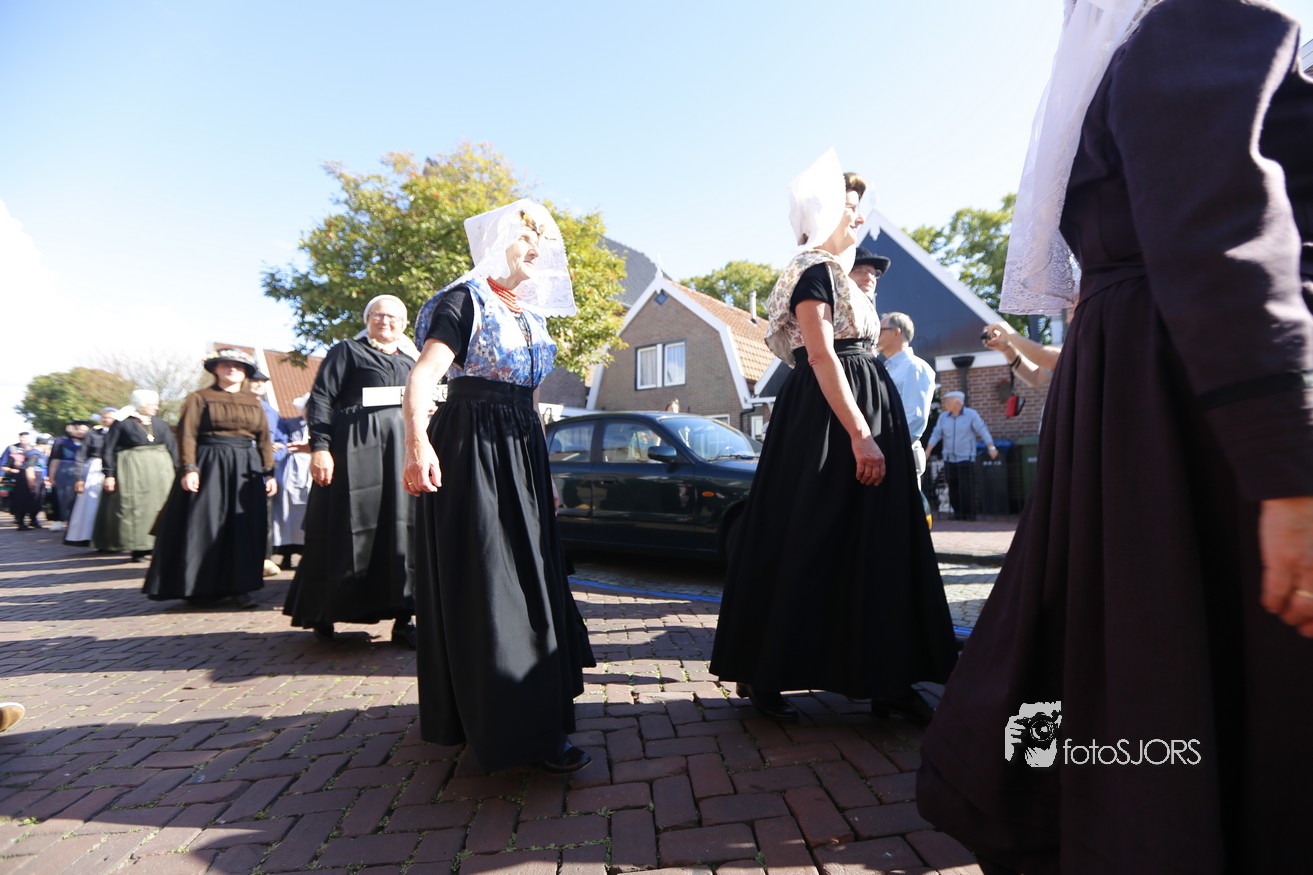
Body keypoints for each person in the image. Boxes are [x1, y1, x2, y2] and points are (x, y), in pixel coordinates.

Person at [916, 2, 1313, 873]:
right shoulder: (1198, 18)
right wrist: (1285, 463)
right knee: (1186, 666)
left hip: (1138, 384)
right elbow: (1223, 231)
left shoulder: (1144, 44)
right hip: (1186, 392)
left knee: (1138, 661)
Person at [709, 149, 957, 724]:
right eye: (849, 207)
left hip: (852, 410)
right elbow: (820, 356)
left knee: (872, 541)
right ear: (822, 212)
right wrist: (861, 433)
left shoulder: (837, 275)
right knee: (812, 537)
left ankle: (887, 677)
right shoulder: (813, 270)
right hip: (830, 421)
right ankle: (770, 671)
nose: (859, 217)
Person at [404, 198, 595, 773]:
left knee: (531, 576)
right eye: (524, 235)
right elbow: (424, 375)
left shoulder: (530, 314)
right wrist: (417, 444)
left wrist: (546, 476)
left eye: (540, 238)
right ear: (495, 243)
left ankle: (533, 711)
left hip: (521, 446)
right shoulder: (465, 300)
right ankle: (506, 723)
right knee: (492, 580)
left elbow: (530, 400)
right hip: (473, 445)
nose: (537, 246)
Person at [283, 296, 419, 644]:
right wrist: (320, 448)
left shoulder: (412, 361)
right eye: (378, 315)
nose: (385, 321)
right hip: (352, 451)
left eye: (393, 316)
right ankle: (325, 610)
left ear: (403, 323)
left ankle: (403, 617)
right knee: (342, 523)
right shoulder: (347, 351)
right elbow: (322, 398)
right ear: (367, 319)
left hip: (398, 453)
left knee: (401, 530)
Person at [144, 350, 275, 606]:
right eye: (226, 365)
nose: (232, 369)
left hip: (245, 467)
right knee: (204, 523)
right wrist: (189, 468)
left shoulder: (254, 402)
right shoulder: (199, 398)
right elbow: (187, 434)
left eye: (238, 366)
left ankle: (240, 587)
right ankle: (199, 587)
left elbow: (264, 439)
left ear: (245, 373)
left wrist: (268, 472)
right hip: (209, 464)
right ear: (216, 369)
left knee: (241, 526)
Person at [98, 391, 177, 560]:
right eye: (152, 404)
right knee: (136, 509)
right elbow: (108, 449)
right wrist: (109, 474)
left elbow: (172, 447)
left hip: (161, 473)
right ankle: (139, 548)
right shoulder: (122, 423)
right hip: (132, 473)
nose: (156, 407)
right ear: (141, 404)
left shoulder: (160, 424)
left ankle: (158, 545)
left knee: (160, 506)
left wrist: (179, 470)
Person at [877, 311, 935, 483]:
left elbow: (914, 420)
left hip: (899, 460)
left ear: (897, 332)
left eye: (880, 330)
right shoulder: (888, 369)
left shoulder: (913, 367)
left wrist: (885, 450)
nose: (876, 335)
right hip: (891, 457)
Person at [925, 391, 998, 521]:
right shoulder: (943, 417)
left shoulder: (971, 415)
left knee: (966, 487)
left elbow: (982, 430)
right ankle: (958, 513)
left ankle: (969, 514)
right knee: (953, 487)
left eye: (948, 401)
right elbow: (936, 434)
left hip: (966, 457)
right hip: (949, 457)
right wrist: (927, 451)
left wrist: (991, 447)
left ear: (958, 403)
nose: (946, 404)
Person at [272, 393, 312, 569]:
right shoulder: (289, 424)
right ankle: (285, 552)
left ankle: (306, 553)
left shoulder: (321, 425)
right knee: (285, 510)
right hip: (290, 471)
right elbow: (279, 441)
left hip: (310, 468)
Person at [65, 408, 115, 546]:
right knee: (90, 503)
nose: (107, 420)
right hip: (94, 469)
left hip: (114, 469)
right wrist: (79, 478)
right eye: (105, 417)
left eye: (111, 418)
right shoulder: (93, 434)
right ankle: (87, 535)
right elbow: (81, 456)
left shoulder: (120, 434)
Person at [981, 320, 1060, 388]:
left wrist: (1008, 333)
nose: (1066, 319)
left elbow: (1054, 361)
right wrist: (1008, 350)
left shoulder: (1066, 353)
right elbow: (1036, 378)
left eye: (1068, 312)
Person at [46, 419, 90, 532]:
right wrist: (51, 476)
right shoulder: (61, 441)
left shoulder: (89, 442)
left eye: (84, 430)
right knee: (62, 496)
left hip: (83, 470)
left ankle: (76, 522)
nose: (80, 432)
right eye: (78, 429)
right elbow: (55, 459)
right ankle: (60, 520)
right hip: (64, 470)